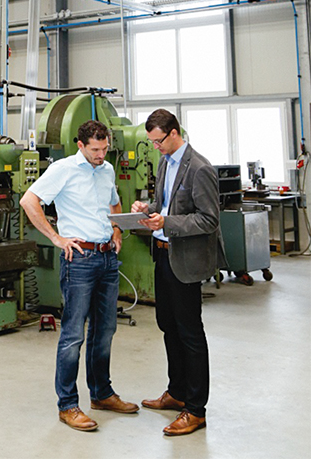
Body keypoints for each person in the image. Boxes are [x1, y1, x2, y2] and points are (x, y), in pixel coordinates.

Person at [20, 119, 139, 431]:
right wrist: (56, 238)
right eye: (95, 150)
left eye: (105, 149)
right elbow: (29, 201)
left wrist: (116, 229)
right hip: (80, 260)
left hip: (107, 259)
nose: (101, 155)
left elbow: (114, 203)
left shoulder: (107, 169)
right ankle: (68, 405)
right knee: (73, 334)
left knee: (105, 330)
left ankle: (101, 394)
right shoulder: (63, 169)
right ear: (81, 145)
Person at [132, 109, 224, 437]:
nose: (155, 147)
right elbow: (165, 204)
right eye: (152, 142)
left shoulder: (199, 168)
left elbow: (209, 219)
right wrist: (147, 209)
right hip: (162, 254)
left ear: (174, 133)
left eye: (158, 141)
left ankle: (196, 409)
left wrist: (167, 222)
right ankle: (177, 391)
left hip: (185, 261)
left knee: (190, 333)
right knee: (168, 326)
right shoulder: (165, 163)